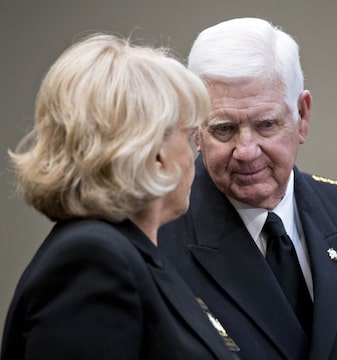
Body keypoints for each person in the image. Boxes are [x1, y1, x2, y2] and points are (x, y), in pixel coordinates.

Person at [158, 17, 337, 359]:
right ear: (196, 130)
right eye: (224, 129)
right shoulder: (159, 234)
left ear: (302, 115)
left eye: (266, 124)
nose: (247, 151)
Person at [0, 33, 238, 360]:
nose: (192, 155)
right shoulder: (94, 261)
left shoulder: (132, 252)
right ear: (155, 154)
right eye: (186, 136)